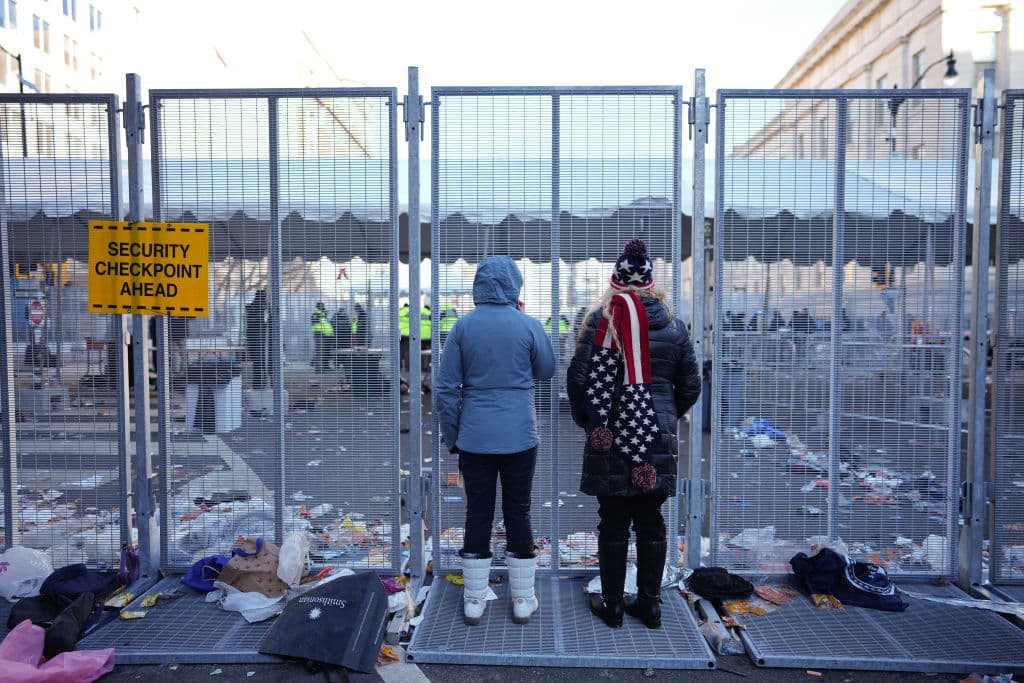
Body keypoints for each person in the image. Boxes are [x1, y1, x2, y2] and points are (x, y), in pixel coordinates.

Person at [567, 239, 700, 630]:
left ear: (616, 281)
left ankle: (612, 606)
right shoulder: (673, 325)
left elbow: (578, 379)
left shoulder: (599, 321)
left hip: (609, 431)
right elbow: (690, 384)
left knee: (612, 519)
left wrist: (591, 422)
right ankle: (650, 603)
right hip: (655, 435)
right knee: (651, 519)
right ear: (651, 283)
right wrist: (666, 414)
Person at [435, 256, 556, 627]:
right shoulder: (528, 324)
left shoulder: (462, 326)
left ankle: (474, 599)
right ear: (515, 286)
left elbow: (444, 389)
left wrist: (453, 435)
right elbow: (547, 369)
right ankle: (522, 599)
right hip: (520, 435)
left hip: (474, 437)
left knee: (477, 513)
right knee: (518, 512)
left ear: (479, 285)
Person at [246, 290, 270, 389]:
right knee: (260, 363)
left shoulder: (252, 308)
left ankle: (258, 384)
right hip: (260, 339)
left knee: (257, 363)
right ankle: (261, 383)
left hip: (253, 338)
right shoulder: (263, 308)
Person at [310, 301, 333, 373]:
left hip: (327, 335)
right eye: (322, 306)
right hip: (320, 335)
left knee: (326, 351)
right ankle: (319, 368)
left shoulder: (324, 315)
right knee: (320, 351)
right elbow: (315, 325)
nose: (324, 307)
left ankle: (325, 366)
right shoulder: (316, 314)